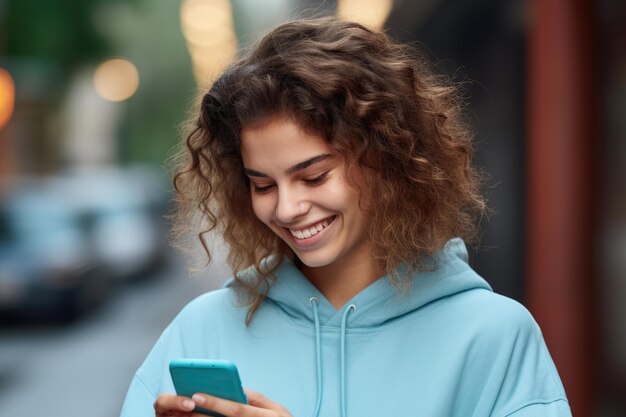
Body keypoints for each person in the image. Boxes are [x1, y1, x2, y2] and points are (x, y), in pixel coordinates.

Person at [120, 17, 571, 417]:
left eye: (314, 177)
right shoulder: (202, 331)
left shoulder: (492, 337)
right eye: (262, 184)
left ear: (386, 159)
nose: (286, 208)